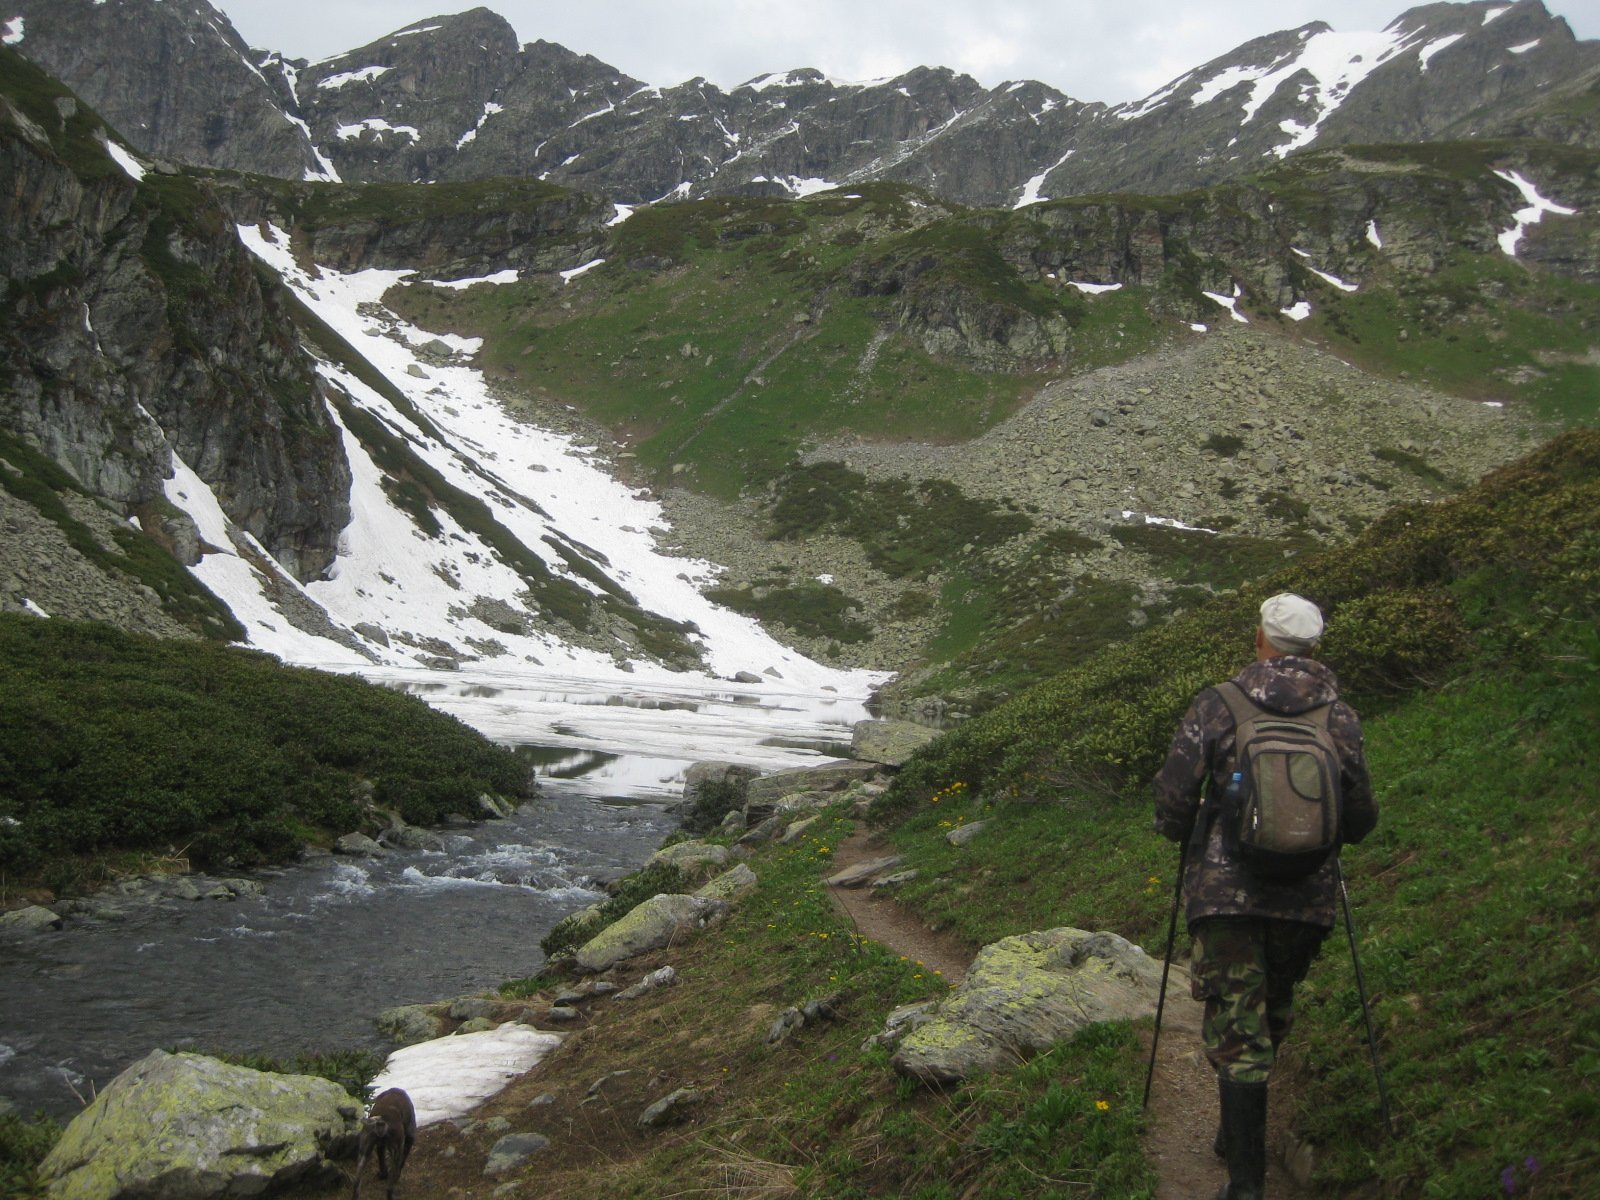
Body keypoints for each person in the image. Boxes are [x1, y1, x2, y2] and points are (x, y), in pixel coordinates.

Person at [1152, 593, 1378, 1200]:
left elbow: (1174, 798)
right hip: (1306, 896)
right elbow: (1359, 819)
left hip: (1226, 895)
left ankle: (1245, 1183)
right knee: (1271, 1009)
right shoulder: (1341, 717)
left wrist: (1183, 830)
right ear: (1315, 648)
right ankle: (1238, 1131)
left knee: (1234, 1020)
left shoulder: (1218, 703)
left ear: (1260, 639)